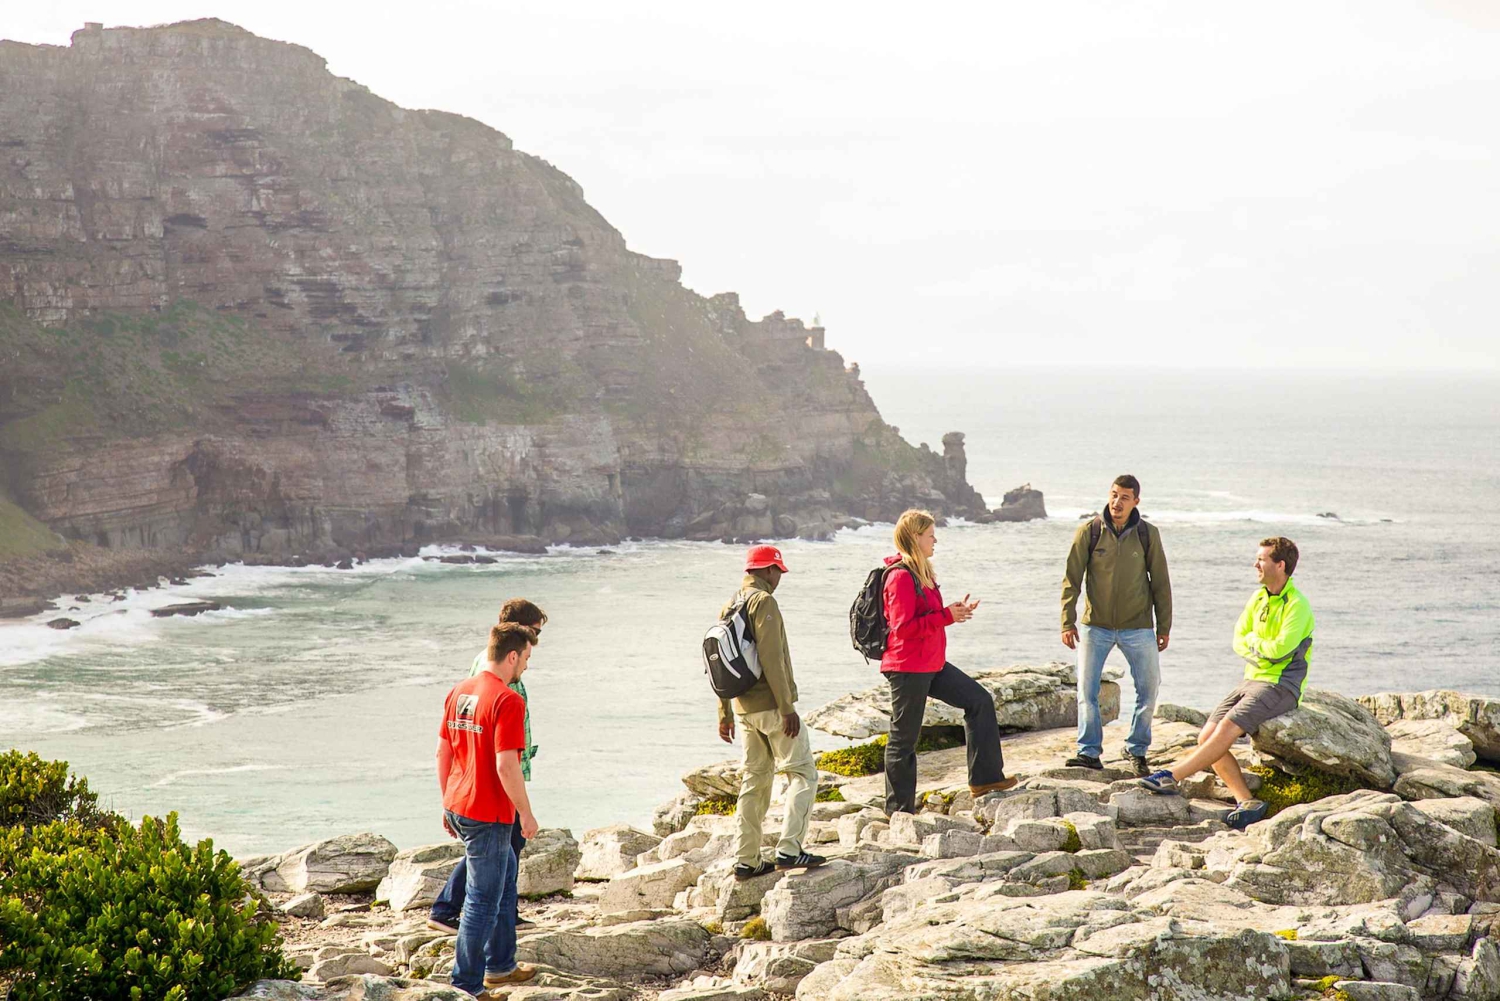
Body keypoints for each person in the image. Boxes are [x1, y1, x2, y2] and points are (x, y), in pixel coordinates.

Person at [1139, 537, 1313, 831]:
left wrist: (1255, 647)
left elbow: (1281, 650)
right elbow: (1238, 638)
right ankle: (1247, 801)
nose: (1255, 564)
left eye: (1261, 560)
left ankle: (1172, 776)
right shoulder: (1257, 598)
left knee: (1226, 730)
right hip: (1253, 679)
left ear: (1280, 565)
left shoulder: (1298, 605)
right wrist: (1260, 648)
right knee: (1206, 736)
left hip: (1281, 685)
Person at [882, 509, 1016, 816]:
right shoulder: (900, 576)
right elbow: (902, 628)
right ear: (915, 537)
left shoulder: (923, 573)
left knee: (980, 701)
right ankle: (898, 810)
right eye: (930, 535)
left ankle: (985, 780)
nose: (935, 540)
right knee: (904, 738)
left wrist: (954, 611)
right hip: (907, 667)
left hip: (932, 663)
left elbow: (927, 617)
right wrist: (945, 616)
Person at [431, 600, 547, 938]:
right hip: (495, 779)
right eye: (536, 633)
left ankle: (500, 915)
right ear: (521, 634)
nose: (538, 642)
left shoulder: (490, 663)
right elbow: (477, 725)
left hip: (490, 777)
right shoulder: (499, 675)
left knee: (500, 851)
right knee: (497, 848)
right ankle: (455, 911)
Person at [717, 545, 826, 879]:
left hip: (744, 709)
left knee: (755, 781)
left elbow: (717, 662)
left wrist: (724, 712)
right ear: (766, 570)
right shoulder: (763, 602)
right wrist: (787, 707)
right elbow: (771, 660)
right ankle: (790, 850)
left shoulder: (730, 603)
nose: (779, 577)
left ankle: (746, 860)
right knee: (803, 773)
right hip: (771, 708)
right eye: (777, 571)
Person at [1059, 474, 1173, 776]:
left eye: (1124, 497)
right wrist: (1066, 621)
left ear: (1136, 501)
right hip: (1095, 627)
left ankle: (1136, 749)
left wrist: (1164, 626)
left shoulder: (1148, 534)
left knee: (1148, 691)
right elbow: (1072, 579)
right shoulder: (1090, 531)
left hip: (1139, 628)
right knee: (1086, 690)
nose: (1116, 502)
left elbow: (1160, 582)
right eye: (1113, 495)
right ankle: (1089, 752)